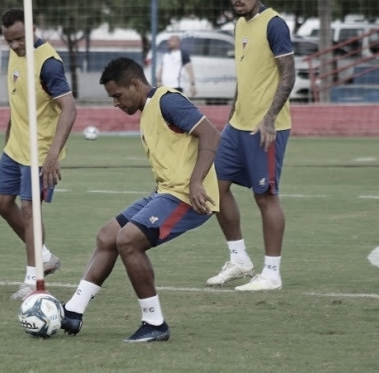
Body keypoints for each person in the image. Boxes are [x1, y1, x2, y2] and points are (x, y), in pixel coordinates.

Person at [60, 57, 221, 343]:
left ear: (135, 84)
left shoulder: (167, 101)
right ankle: (73, 311)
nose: (116, 104)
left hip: (189, 197)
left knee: (128, 240)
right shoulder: (146, 111)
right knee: (108, 235)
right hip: (167, 193)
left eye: (118, 96)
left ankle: (154, 322)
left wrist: (197, 181)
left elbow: (211, 134)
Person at [205, 0, 295, 291]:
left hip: (265, 129)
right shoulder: (240, 24)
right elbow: (245, 76)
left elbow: (288, 74)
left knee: (265, 196)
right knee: (214, 186)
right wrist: (232, 114)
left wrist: (269, 118)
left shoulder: (275, 24)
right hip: (238, 125)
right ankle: (239, 259)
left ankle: (271, 274)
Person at [0, 8, 77, 299]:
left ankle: (34, 279)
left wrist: (53, 155)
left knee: (30, 211)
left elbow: (70, 108)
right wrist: (8, 137)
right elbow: (19, 101)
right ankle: (44, 256)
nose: (15, 45)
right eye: (9, 41)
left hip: (39, 151)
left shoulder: (49, 64)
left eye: (19, 39)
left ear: (33, 29)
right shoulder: (15, 53)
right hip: (15, 146)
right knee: (0, 202)